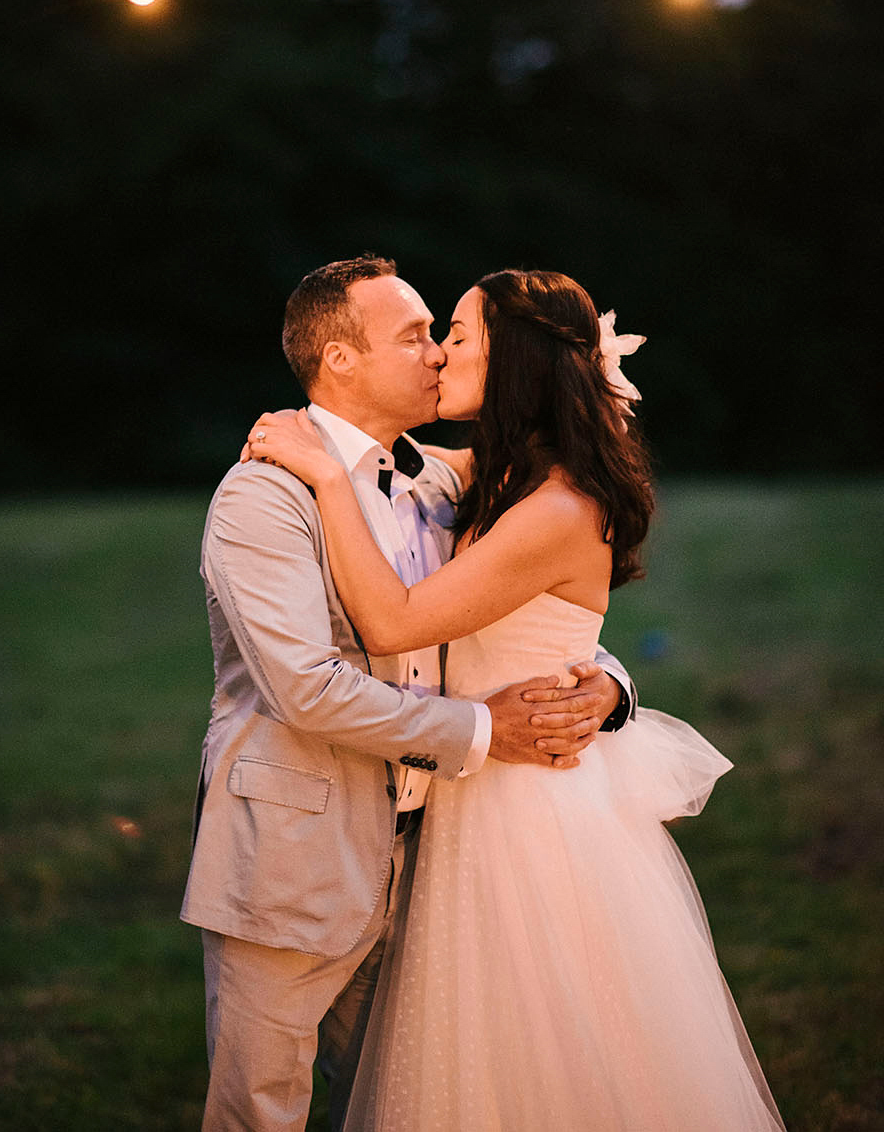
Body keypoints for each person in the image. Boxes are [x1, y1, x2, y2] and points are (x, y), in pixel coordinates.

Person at [247, 268, 786, 1132]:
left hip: (531, 811)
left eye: (454, 334)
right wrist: (610, 677)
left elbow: (394, 622)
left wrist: (326, 481)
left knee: (547, 1055)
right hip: (464, 795)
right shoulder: (483, 476)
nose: (437, 352)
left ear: (516, 360)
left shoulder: (560, 504)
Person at [181, 256, 637, 1132]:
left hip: (437, 860)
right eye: (415, 335)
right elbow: (308, 690)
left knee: (395, 1104)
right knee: (258, 1112)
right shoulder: (265, 495)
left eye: (443, 333)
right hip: (296, 855)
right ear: (341, 360)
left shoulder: (442, 477)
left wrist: (608, 683)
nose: (435, 354)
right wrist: (480, 731)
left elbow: (531, 605)